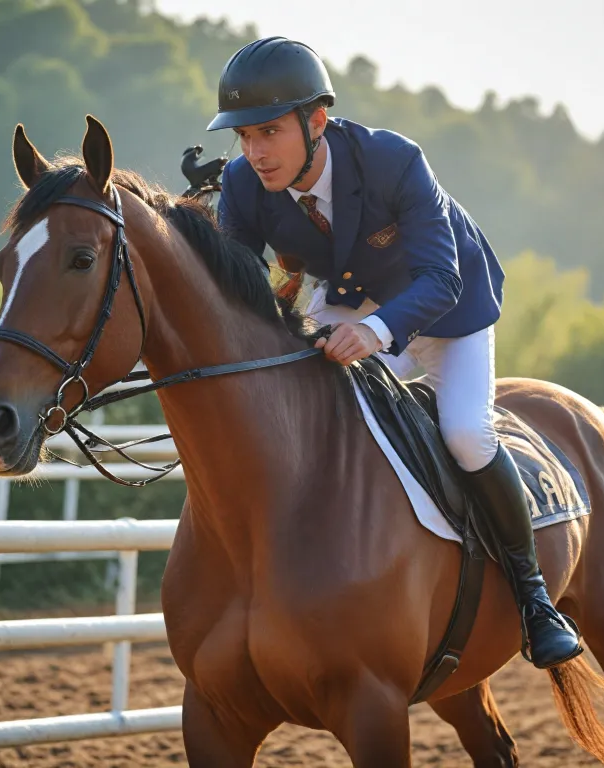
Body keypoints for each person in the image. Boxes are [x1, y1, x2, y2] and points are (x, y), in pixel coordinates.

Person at [208, 36, 582, 669]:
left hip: (449, 309)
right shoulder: (244, 184)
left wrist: (376, 333)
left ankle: (534, 598)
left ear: (317, 119)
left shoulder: (392, 160)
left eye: (268, 132)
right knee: (307, 415)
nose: (254, 153)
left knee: (465, 435)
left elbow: (442, 278)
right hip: (351, 301)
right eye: (243, 137)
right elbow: (237, 289)